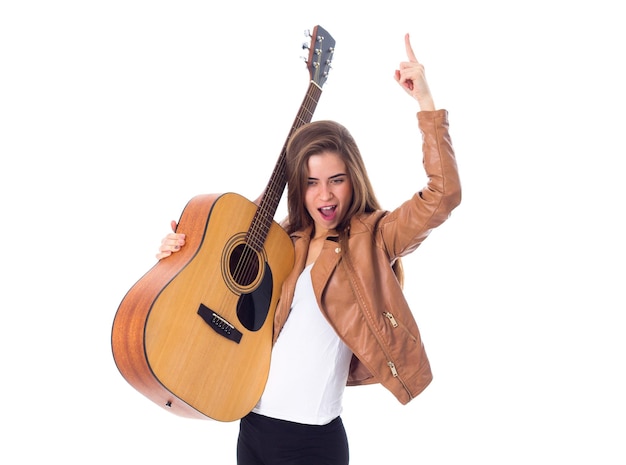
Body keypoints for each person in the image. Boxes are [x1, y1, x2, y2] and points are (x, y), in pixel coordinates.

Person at [156, 33, 461, 465]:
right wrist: (179, 252)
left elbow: (442, 196)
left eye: (336, 179)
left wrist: (425, 103)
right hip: (253, 426)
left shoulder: (374, 239)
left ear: (353, 178)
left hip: (313, 441)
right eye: (312, 181)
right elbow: (218, 287)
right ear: (299, 187)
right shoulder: (284, 244)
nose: (325, 195)